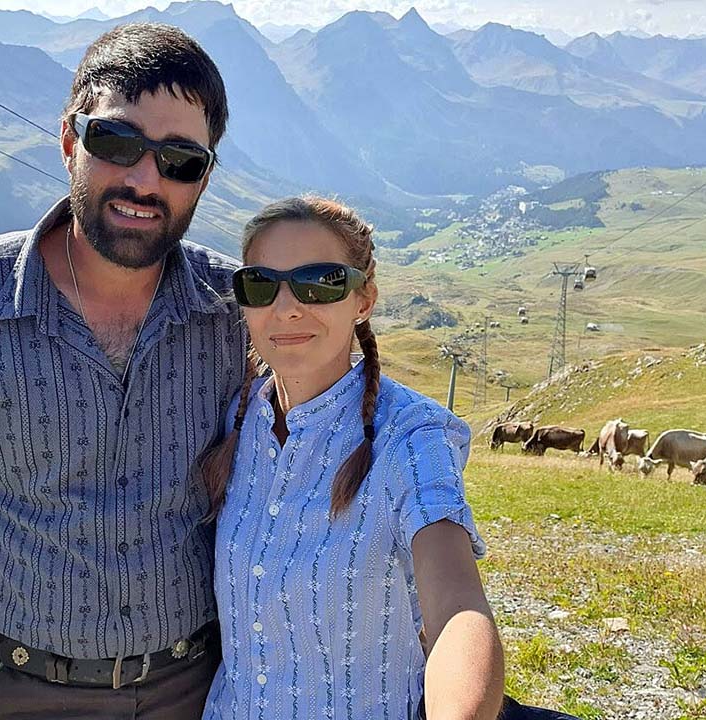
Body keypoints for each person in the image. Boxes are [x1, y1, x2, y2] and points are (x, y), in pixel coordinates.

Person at [0, 23, 244, 719]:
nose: (143, 179)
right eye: (116, 142)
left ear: (204, 178)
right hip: (24, 692)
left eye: (181, 161)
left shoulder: (235, 312)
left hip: (204, 688)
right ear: (70, 141)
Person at [198, 197, 507, 719]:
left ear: (363, 300)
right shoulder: (236, 416)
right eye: (260, 284)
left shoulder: (410, 435)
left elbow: (458, 607)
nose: (287, 306)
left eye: (319, 282)